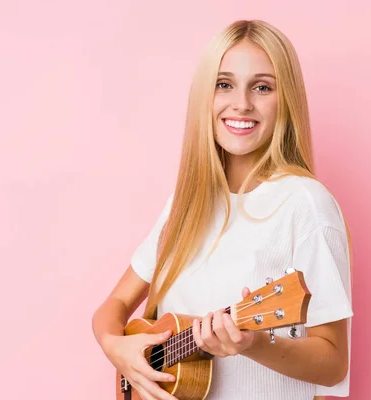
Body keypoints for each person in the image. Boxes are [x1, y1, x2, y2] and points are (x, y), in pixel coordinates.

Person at [92, 19, 354, 400]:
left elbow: (333, 364)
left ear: (287, 100)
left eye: (262, 87)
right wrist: (117, 348)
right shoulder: (186, 204)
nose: (242, 103)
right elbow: (113, 305)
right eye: (224, 84)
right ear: (206, 97)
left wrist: (253, 344)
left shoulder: (304, 204)